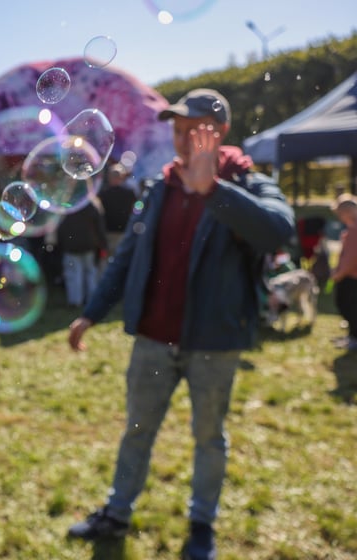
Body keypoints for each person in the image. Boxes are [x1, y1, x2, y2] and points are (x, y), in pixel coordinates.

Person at [65, 89, 295, 560]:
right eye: (177, 128)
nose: (183, 137)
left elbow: (277, 230)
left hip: (214, 342)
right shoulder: (159, 188)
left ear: (221, 132)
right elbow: (128, 256)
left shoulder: (247, 182)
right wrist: (92, 311)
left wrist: (214, 190)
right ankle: (117, 513)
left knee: (209, 438)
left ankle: (202, 525)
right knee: (136, 430)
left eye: (194, 128)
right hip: (153, 339)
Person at [56, 196, 107, 308]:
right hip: (89, 244)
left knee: (73, 273)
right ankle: (91, 299)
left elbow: (60, 228)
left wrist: (61, 244)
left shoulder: (67, 207)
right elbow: (99, 227)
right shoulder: (92, 206)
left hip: (71, 245)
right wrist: (103, 244)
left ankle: (75, 301)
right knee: (90, 272)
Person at [331, 194, 357, 351]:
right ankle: (352, 336)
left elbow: (352, 257)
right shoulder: (352, 229)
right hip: (350, 274)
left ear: (347, 212)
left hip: (352, 276)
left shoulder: (354, 230)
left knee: (348, 306)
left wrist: (339, 274)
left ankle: (355, 338)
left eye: (340, 214)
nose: (339, 218)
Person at [97, 163, 138, 257]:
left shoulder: (103, 193)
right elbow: (135, 210)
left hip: (108, 231)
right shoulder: (129, 193)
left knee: (108, 259)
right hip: (123, 231)